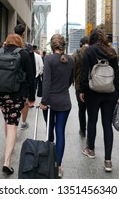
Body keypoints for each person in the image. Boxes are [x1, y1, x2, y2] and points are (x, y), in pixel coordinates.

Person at [79, 28, 119, 172]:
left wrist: (82, 90)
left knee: (92, 121)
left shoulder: (89, 51)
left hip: (93, 92)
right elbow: (116, 76)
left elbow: (85, 73)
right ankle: (108, 161)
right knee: (107, 125)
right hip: (110, 93)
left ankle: (90, 150)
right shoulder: (111, 52)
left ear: (91, 38)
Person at [0, 33, 35, 175]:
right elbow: (31, 76)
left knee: (7, 120)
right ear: (19, 42)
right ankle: (7, 162)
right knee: (12, 125)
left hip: (1, 94)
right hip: (17, 94)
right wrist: (31, 97)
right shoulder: (23, 54)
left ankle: (8, 146)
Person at [39, 34, 74, 178]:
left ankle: (49, 161)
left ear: (52, 46)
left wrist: (44, 101)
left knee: (50, 131)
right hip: (64, 101)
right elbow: (70, 81)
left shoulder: (48, 59)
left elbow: (46, 82)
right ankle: (58, 166)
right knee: (61, 132)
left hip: (50, 102)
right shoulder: (71, 59)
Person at [14, 24, 36, 130]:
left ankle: (13, 121)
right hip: (24, 79)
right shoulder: (27, 46)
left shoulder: (9, 44)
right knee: (25, 102)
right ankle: (23, 122)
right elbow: (32, 67)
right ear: (23, 33)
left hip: (11, 79)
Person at [72, 36, 89, 137]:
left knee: (81, 109)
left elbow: (72, 71)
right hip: (93, 86)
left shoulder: (75, 55)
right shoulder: (94, 52)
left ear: (80, 44)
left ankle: (83, 130)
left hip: (79, 86)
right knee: (91, 110)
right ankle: (91, 130)